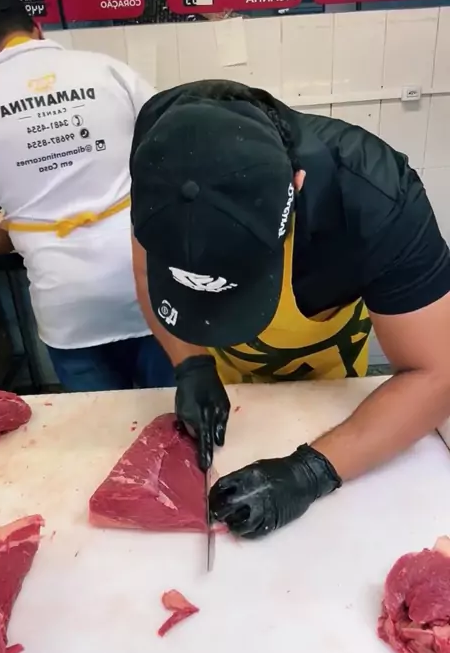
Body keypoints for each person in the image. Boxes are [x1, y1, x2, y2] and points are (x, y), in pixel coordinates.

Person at [129, 79, 450, 539]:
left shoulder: (374, 197)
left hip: (332, 381)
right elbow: (146, 271)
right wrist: (192, 364)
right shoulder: (160, 158)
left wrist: (311, 471)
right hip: (232, 385)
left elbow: (436, 374)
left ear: (296, 186)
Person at [0, 0, 173, 392]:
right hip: (147, 289)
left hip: (66, 304)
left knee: (101, 425)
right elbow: (176, 151)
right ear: (37, 28)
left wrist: (23, 238)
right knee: (176, 415)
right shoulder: (107, 70)